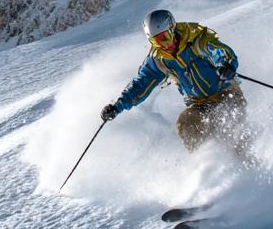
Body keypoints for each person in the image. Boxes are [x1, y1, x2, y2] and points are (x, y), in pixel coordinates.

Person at [101, 9, 257, 164]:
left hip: (226, 93)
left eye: (165, 38)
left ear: (172, 28)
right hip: (198, 105)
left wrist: (225, 64)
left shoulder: (196, 39)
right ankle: (208, 166)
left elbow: (217, 50)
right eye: (156, 41)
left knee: (229, 129)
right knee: (185, 125)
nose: (163, 45)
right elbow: (141, 83)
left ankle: (248, 164)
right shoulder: (159, 59)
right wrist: (117, 106)